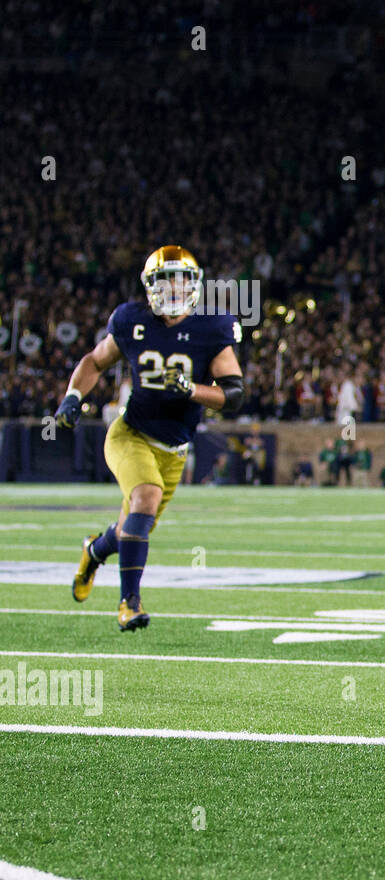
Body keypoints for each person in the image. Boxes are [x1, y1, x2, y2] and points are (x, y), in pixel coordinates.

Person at [57, 245, 244, 631]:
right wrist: (73, 397)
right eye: (165, 280)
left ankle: (93, 551)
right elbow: (94, 360)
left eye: (180, 281)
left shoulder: (213, 327)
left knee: (132, 528)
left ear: (194, 285)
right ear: (150, 285)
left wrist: (191, 389)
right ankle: (129, 603)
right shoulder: (131, 320)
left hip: (173, 450)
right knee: (146, 496)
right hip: (130, 434)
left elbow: (234, 394)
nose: (173, 289)